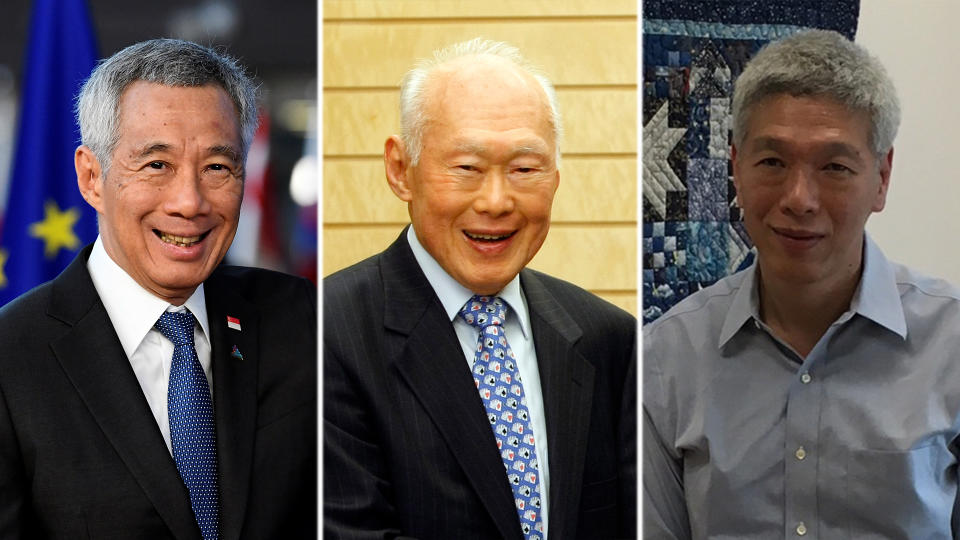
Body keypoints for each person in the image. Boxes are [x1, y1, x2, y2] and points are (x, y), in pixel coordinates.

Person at [643, 29, 960, 538]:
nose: (799, 198)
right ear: (735, 170)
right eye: (772, 162)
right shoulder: (665, 360)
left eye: (834, 166)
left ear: (882, 177)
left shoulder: (951, 345)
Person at [0, 39, 315, 538]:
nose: (189, 203)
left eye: (217, 167)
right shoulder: (11, 358)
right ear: (92, 178)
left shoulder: (304, 323)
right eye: (156, 165)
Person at [323, 38, 636, 539]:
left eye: (524, 169)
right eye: (467, 169)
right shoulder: (329, 332)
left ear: (555, 178)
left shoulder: (610, 339)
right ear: (401, 170)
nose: (496, 201)